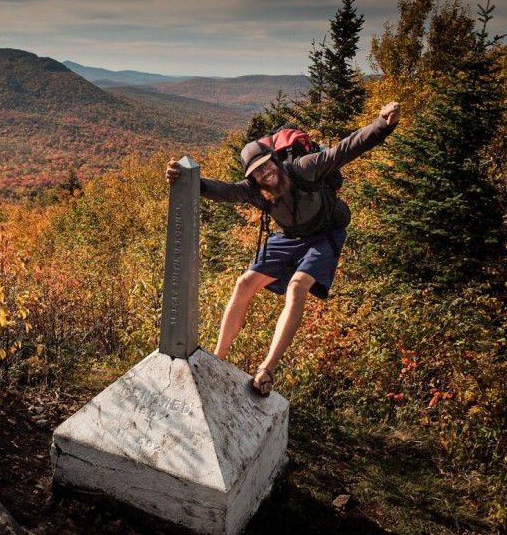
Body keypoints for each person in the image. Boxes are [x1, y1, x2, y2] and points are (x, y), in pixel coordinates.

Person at [166, 102, 400, 397]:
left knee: (297, 287)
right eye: (257, 171)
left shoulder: (305, 168)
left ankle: (266, 370)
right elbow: (219, 190)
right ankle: (217, 358)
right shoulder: (254, 191)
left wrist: (382, 124)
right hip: (288, 236)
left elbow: (345, 149)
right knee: (244, 283)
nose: (265, 173)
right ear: (252, 178)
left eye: (267, 164)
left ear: (275, 160)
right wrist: (184, 178)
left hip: (323, 235)